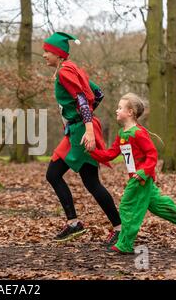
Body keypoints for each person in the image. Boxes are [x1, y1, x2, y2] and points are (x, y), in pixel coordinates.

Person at [89, 93, 176, 254]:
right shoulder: (122, 133)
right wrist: (92, 152)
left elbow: (152, 155)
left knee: (127, 206)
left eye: (120, 108)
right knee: (158, 206)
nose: (116, 110)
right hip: (139, 178)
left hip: (141, 178)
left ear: (130, 112)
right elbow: (110, 154)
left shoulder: (138, 133)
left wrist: (142, 172)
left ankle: (125, 244)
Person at [42, 32, 121, 245]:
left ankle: (78, 223)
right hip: (78, 130)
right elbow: (99, 93)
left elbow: (81, 99)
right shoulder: (73, 68)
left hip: (81, 132)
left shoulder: (65, 72)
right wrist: (83, 121)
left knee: (55, 174)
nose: (44, 55)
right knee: (89, 181)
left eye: (47, 51)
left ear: (59, 54)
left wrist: (86, 127)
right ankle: (114, 227)